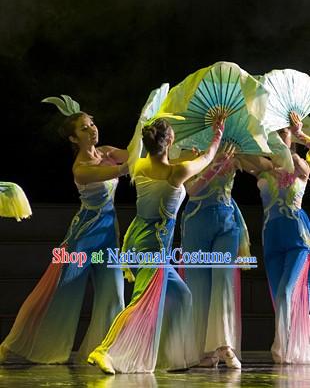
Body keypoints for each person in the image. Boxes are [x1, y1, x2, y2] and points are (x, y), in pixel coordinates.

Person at [87, 117, 225, 374]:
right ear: (170, 141)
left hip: (139, 240)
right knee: (140, 301)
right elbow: (207, 158)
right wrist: (217, 135)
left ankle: (169, 357)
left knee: (182, 297)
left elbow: (170, 167)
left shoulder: (139, 165)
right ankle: (103, 350)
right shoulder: (177, 171)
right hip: (153, 248)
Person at [0, 108, 128, 364]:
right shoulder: (81, 169)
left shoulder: (107, 152)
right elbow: (124, 169)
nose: (92, 129)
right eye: (84, 128)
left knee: (114, 294)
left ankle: (106, 352)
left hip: (108, 236)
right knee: (61, 293)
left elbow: (134, 155)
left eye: (92, 124)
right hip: (85, 236)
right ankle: (20, 346)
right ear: (73, 139)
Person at [241, 112, 310, 363]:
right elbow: (241, 157)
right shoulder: (264, 169)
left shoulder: (300, 166)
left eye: (284, 133)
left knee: (289, 292)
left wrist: (300, 135)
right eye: (277, 133)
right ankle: (285, 346)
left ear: (291, 138)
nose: (280, 137)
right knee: (278, 294)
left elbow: (302, 165)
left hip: (297, 240)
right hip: (271, 239)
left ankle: (289, 347)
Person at [180, 144, 250, 369]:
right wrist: (215, 163)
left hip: (227, 221)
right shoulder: (187, 150)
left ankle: (224, 345)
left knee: (223, 281)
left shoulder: (233, 147)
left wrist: (245, 155)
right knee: (198, 286)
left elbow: (263, 166)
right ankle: (204, 350)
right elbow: (191, 189)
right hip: (196, 220)